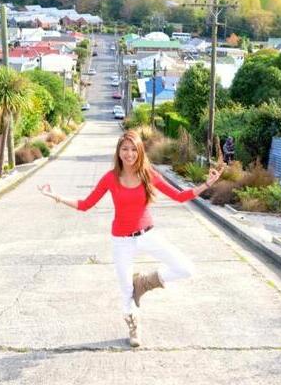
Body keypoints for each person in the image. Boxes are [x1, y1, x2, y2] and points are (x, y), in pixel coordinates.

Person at [38, 130, 223, 348]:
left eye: (134, 149)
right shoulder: (110, 178)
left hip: (147, 235)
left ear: (140, 151)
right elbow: (86, 204)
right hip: (121, 240)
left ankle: (144, 282)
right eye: (125, 149)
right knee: (126, 290)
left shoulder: (149, 174)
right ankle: (134, 324)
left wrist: (207, 184)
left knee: (186, 268)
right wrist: (57, 197)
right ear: (118, 152)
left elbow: (179, 196)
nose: (129, 153)